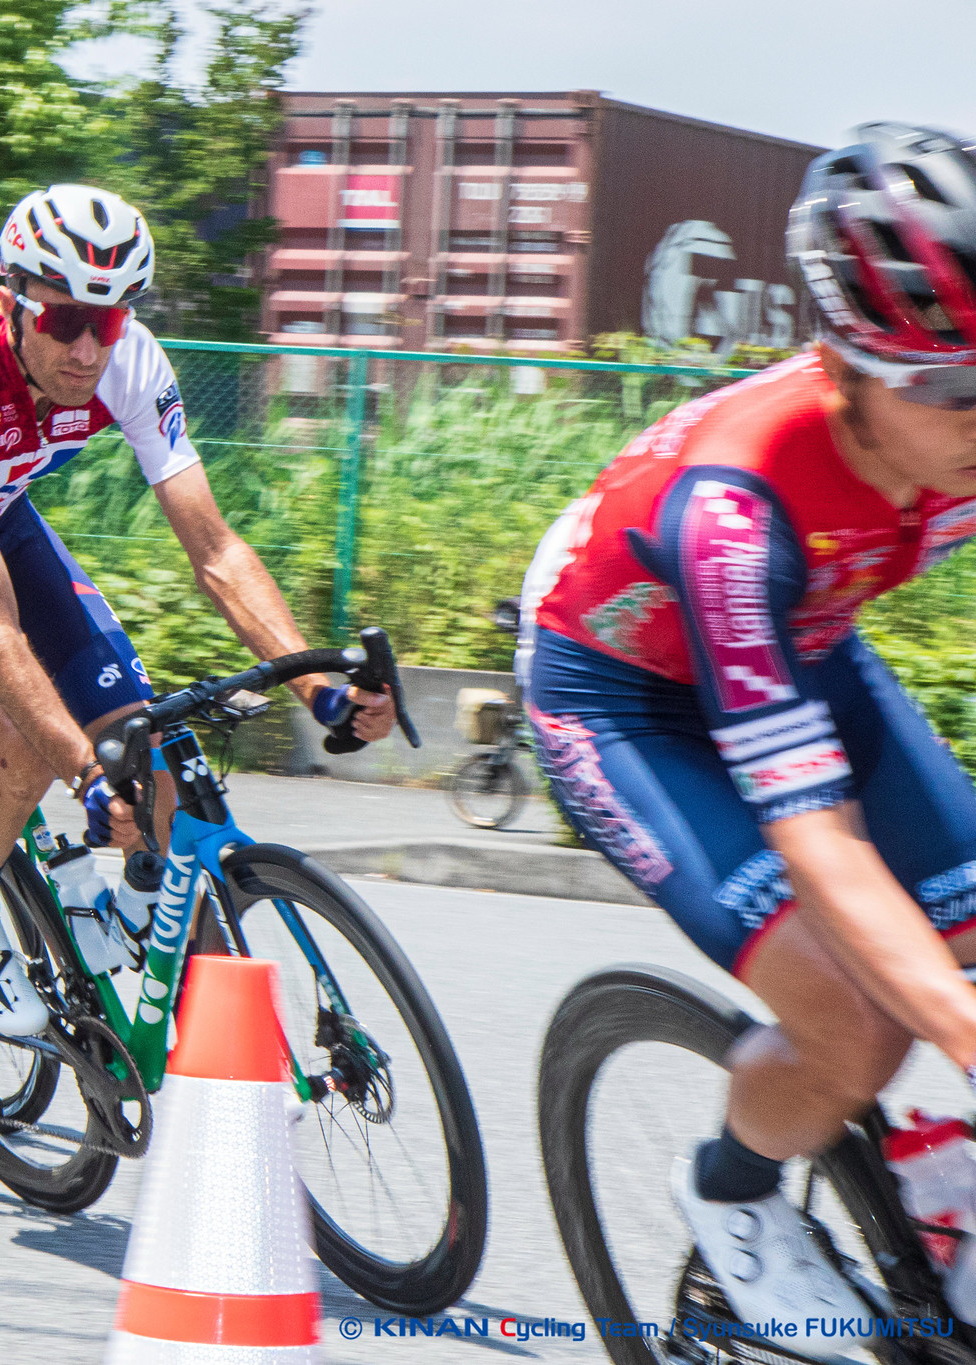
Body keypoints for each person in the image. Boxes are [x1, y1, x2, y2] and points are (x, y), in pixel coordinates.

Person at [520, 123, 976, 1354]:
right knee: (860, 1022)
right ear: (847, 368)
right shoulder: (738, 503)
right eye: (951, 389)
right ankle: (732, 1203)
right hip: (620, 698)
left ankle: (945, 1192)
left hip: (805, 645)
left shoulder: (948, 418)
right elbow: (818, 843)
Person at [0, 184, 393, 1036]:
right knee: (23, 749)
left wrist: (320, 691)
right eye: (63, 322)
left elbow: (216, 551)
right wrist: (84, 775)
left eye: (110, 320)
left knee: (146, 742)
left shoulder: (129, 361)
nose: (87, 349)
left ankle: (129, 928)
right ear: (12, 305)